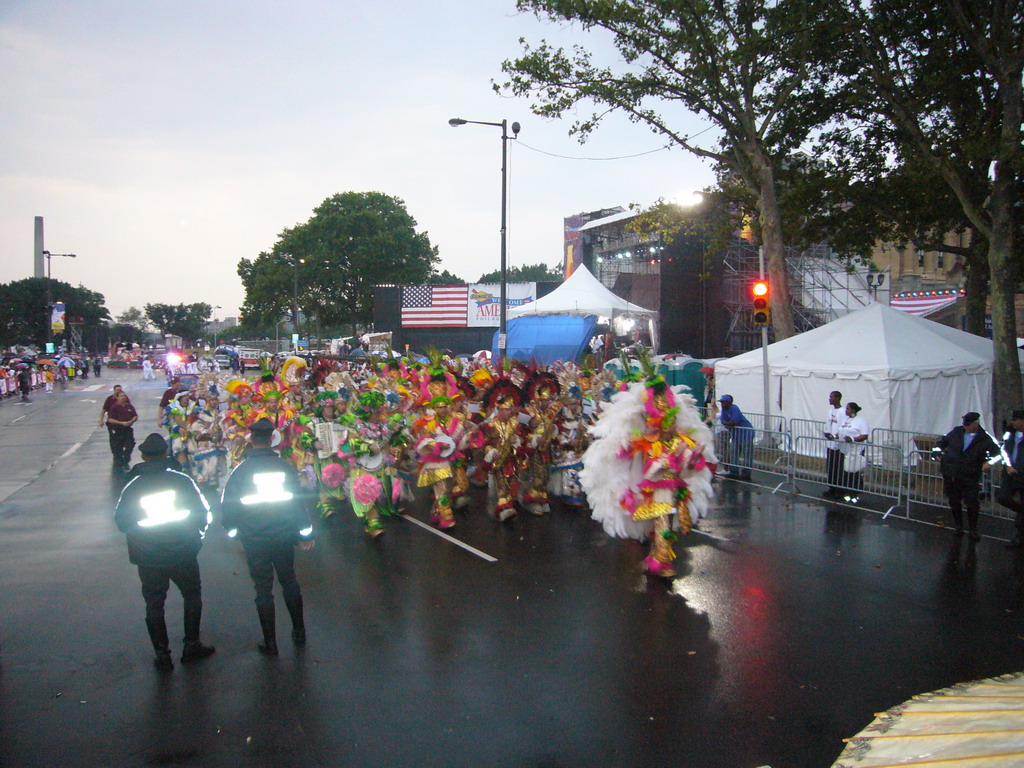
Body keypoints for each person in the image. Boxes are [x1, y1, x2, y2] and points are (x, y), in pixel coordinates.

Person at [115, 433, 215, 671]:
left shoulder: (133, 485)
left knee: (154, 603)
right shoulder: (182, 480)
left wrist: (140, 541)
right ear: (165, 454)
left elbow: (121, 521)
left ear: (142, 456)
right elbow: (203, 514)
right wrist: (195, 540)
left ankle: (162, 654)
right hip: (182, 553)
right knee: (192, 595)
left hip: (148, 558)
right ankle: (192, 644)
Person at [221, 418, 314, 656]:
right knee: (289, 582)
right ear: (272, 439)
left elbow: (228, 507)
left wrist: (235, 532)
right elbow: (298, 503)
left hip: (255, 539)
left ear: (252, 440)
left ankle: (270, 642)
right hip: (284, 536)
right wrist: (305, 533)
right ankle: (299, 632)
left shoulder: (241, 470)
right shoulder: (285, 467)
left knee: (263, 590)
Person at [936, 411, 999, 541]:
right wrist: (937, 452)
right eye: (964, 424)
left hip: (970, 474)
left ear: (976, 424)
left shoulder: (985, 438)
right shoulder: (956, 432)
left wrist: (989, 463)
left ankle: (973, 529)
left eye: (968, 424)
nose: (965, 426)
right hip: (951, 472)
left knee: (972, 502)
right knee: (954, 500)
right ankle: (958, 527)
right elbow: (941, 442)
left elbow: (998, 453)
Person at [996, 410, 1024, 549]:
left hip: (1022, 473)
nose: (1013, 422)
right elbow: (1004, 449)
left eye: (1015, 420)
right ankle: (1021, 511)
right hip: (1010, 472)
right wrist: (1007, 465)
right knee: (1003, 497)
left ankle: (1019, 536)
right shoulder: (1010, 434)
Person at [836, 402, 869, 502]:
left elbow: (864, 435)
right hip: (845, 450)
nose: (846, 410)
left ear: (853, 410)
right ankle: (846, 491)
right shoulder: (846, 419)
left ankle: (855, 493)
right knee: (845, 471)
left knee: (854, 471)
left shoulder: (861, 421)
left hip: (856, 451)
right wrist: (833, 436)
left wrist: (853, 439)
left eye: (848, 409)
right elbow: (841, 432)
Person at [718, 394, 753, 480]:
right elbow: (723, 421)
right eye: (721, 402)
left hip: (746, 433)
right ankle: (734, 471)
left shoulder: (734, 408)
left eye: (723, 402)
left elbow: (734, 422)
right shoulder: (724, 410)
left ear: (729, 402)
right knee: (734, 453)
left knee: (747, 453)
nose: (722, 404)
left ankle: (746, 473)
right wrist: (728, 423)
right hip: (736, 434)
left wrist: (728, 423)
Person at [105, 390, 139, 471]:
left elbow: (135, 416)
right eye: (121, 396)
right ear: (117, 398)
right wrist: (121, 423)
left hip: (127, 428)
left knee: (130, 443)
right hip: (117, 429)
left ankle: (127, 457)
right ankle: (119, 463)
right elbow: (110, 419)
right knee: (118, 446)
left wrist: (131, 421)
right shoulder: (114, 407)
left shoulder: (129, 406)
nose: (123, 397)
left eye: (124, 396)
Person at [823, 391, 845, 498]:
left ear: (837, 398)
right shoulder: (830, 411)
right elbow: (828, 424)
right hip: (830, 444)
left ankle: (839, 489)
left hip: (838, 445)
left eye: (831, 397)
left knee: (838, 467)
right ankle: (831, 487)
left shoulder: (842, 412)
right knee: (830, 466)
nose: (829, 399)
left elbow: (842, 426)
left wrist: (836, 436)